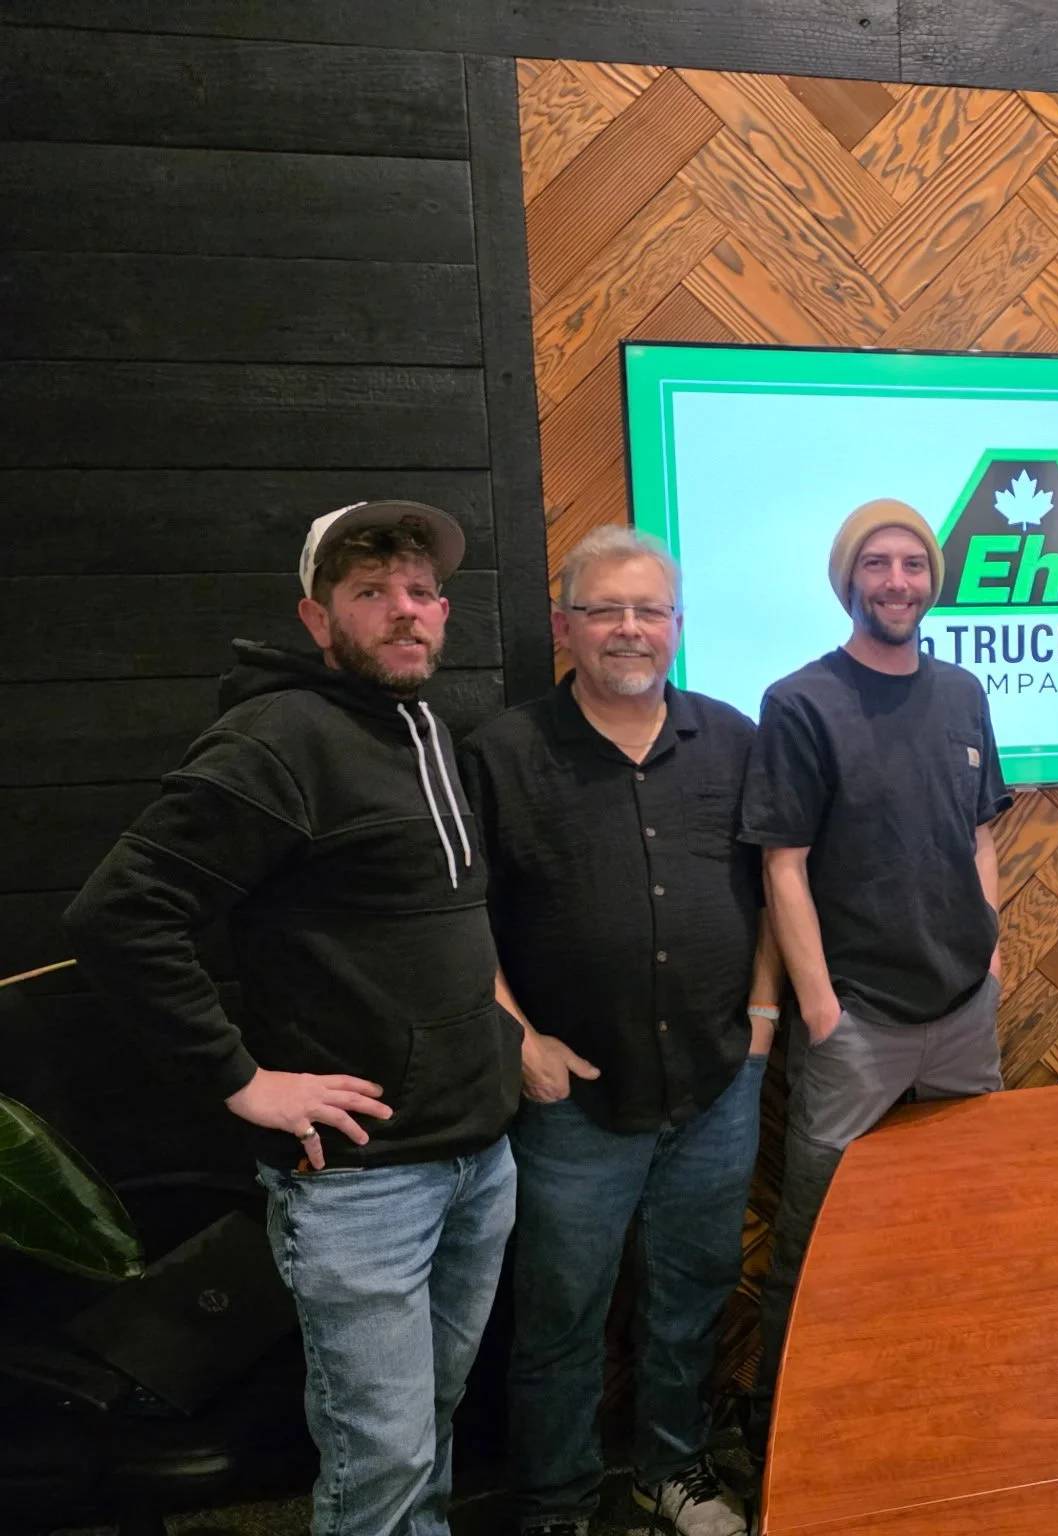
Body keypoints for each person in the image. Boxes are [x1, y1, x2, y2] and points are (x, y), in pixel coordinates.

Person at [64, 501, 520, 1536]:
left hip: (473, 1157)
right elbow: (119, 915)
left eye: (418, 592)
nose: (403, 612)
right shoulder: (279, 739)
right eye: (370, 593)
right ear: (316, 620)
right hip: (364, 1187)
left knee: (428, 1425)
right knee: (381, 1453)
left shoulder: (421, 726)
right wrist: (241, 1079)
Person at [461, 528, 776, 1536]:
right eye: (606, 610)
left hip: (715, 1083)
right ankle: (553, 1503)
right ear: (565, 625)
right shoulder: (502, 754)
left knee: (690, 1297)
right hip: (573, 1101)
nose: (629, 630)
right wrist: (519, 1040)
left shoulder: (732, 739)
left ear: (677, 627)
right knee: (559, 1320)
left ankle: (669, 1472)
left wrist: (763, 1017)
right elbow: (458, 921)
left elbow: (775, 888)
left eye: (649, 611)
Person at [740, 499, 1009, 1423]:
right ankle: (786, 1428)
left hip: (965, 1010)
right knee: (816, 1244)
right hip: (856, 1023)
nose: (898, 582)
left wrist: (994, 953)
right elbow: (783, 864)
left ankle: (945, 1398)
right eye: (878, 564)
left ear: (934, 581)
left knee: (964, 1226)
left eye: (914, 565)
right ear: (847, 579)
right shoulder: (800, 701)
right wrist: (819, 1010)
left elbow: (979, 834)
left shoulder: (965, 691)